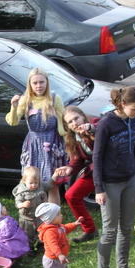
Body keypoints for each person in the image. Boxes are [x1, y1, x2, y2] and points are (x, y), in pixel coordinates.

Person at [93, 86, 135, 268]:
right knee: (110, 230)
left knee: (126, 228)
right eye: (134, 110)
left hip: (129, 181)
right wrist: (99, 187)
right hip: (110, 184)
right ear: (122, 104)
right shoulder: (106, 124)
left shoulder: (133, 120)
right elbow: (97, 157)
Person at [6, 67, 67, 205]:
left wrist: (69, 141)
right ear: (30, 84)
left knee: (52, 184)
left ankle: (52, 219)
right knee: (34, 183)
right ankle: (37, 217)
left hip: (52, 144)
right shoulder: (26, 100)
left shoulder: (55, 99)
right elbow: (13, 122)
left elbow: (62, 126)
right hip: (33, 145)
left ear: (47, 82)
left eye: (41, 82)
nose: (38, 86)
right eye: (35, 83)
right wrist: (14, 106)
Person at [58, 105, 99, 244]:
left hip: (111, 170)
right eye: (70, 122)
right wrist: (69, 169)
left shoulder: (95, 124)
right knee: (71, 195)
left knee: (110, 200)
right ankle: (90, 230)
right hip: (95, 171)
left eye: (76, 118)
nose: (74, 123)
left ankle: (115, 233)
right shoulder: (73, 138)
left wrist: (89, 130)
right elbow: (78, 160)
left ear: (83, 116)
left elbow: (97, 127)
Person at [35, 202, 83, 268]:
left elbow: (66, 228)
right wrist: (60, 254)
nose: (61, 215)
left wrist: (75, 224)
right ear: (49, 218)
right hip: (53, 260)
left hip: (61, 258)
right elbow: (53, 245)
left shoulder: (58, 226)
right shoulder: (49, 232)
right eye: (58, 214)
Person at [13, 166, 58, 256]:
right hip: (27, 219)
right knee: (28, 234)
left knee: (41, 231)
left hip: (40, 217)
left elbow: (49, 185)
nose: (34, 185)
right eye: (31, 183)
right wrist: (22, 205)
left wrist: (55, 175)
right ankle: (30, 247)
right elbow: (17, 203)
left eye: (36, 183)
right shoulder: (21, 191)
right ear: (24, 181)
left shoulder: (41, 186)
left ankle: (41, 244)